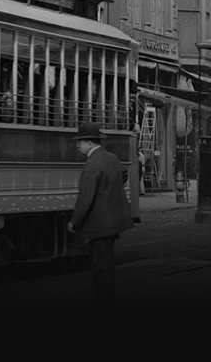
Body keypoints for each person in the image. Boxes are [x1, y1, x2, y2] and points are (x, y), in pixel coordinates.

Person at [68, 122, 135, 308]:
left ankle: (105, 302)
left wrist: (74, 221)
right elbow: (122, 174)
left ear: (89, 143)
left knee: (101, 267)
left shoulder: (92, 164)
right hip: (112, 220)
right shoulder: (111, 157)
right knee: (105, 264)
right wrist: (109, 191)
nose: (77, 146)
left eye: (79, 142)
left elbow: (85, 197)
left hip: (100, 224)